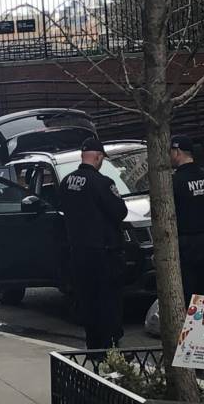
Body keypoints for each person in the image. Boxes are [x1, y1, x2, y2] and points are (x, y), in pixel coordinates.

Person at [59, 138, 128, 349]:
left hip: (78, 251)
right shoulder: (102, 183)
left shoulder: (67, 182)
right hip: (103, 253)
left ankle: (93, 347)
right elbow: (120, 212)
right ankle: (110, 347)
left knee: (87, 299)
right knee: (108, 301)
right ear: (98, 157)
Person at [170, 135, 204, 306]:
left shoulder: (174, 182)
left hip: (185, 245)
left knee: (189, 295)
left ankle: (192, 330)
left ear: (177, 152)